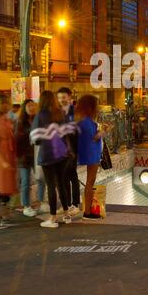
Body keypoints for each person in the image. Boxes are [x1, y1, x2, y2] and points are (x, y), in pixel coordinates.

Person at [30, 91, 72, 229]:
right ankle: (66, 215)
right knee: (61, 183)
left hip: (48, 154)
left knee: (51, 186)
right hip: (62, 153)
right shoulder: (59, 113)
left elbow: (35, 138)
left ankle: (53, 217)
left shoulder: (40, 116)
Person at [75, 95, 112, 221]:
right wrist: (105, 131)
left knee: (90, 183)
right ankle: (88, 212)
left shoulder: (84, 120)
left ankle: (88, 210)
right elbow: (94, 137)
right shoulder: (86, 121)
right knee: (90, 183)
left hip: (91, 153)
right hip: (91, 154)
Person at [15, 99, 48, 217]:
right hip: (24, 157)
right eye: (29, 106)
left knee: (41, 178)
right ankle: (26, 206)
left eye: (33, 105)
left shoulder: (38, 120)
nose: (31, 108)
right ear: (24, 108)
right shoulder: (19, 122)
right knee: (25, 181)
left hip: (36, 155)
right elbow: (17, 139)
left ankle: (41, 202)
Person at [57, 87, 80, 217]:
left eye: (63, 97)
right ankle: (66, 204)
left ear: (70, 97)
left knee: (72, 175)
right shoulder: (58, 112)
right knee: (63, 176)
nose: (61, 100)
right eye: (59, 98)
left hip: (72, 147)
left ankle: (75, 204)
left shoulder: (74, 111)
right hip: (61, 148)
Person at [0, 95, 17, 226]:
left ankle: (3, 214)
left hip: (8, 154)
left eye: (7, 103)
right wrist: (2, 160)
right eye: (2, 103)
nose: (5, 105)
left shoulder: (7, 118)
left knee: (5, 187)